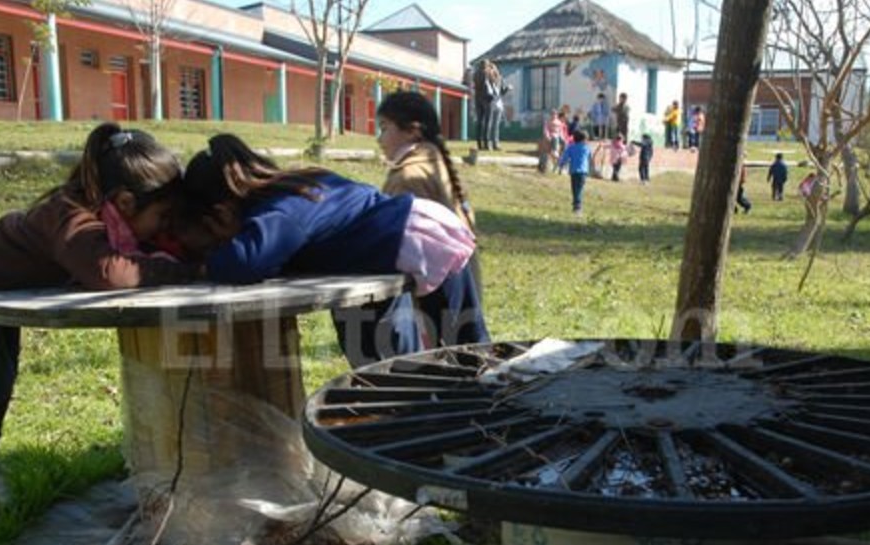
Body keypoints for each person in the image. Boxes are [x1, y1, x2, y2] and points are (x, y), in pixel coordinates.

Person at [0, 123, 198, 505]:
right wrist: (183, 271)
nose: (163, 228)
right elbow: (109, 273)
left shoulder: (107, 214)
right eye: (163, 217)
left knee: (3, 374)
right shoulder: (68, 215)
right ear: (127, 202)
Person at [179, 133, 489, 366]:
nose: (223, 246)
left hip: (417, 239)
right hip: (412, 234)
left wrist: (198, 268)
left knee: (467, 346)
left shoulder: (281, 212)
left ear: (220, 213)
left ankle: (490, 398)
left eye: (216, 241)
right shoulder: (297, 183)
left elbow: (245, 261)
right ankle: (429, 399)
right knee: (397, 346)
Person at [376, 90, 489, 349]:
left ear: (412, 131)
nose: (379, 139)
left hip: (435, 298)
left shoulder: (408, 177)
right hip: (461, 291)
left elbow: (402, 248)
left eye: (384, 128)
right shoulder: (433, 162)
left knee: (446, 374)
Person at [559, 130, 593, 215]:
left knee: (574, 189)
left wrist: (561, 164)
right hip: (583, 172)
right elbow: (590, 158)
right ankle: (577, 207)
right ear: (583, 140)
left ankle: (576, 206)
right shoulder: (587, 148)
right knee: (579, 189)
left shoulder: (571, 147)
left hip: (573, 171)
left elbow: (565, 157)